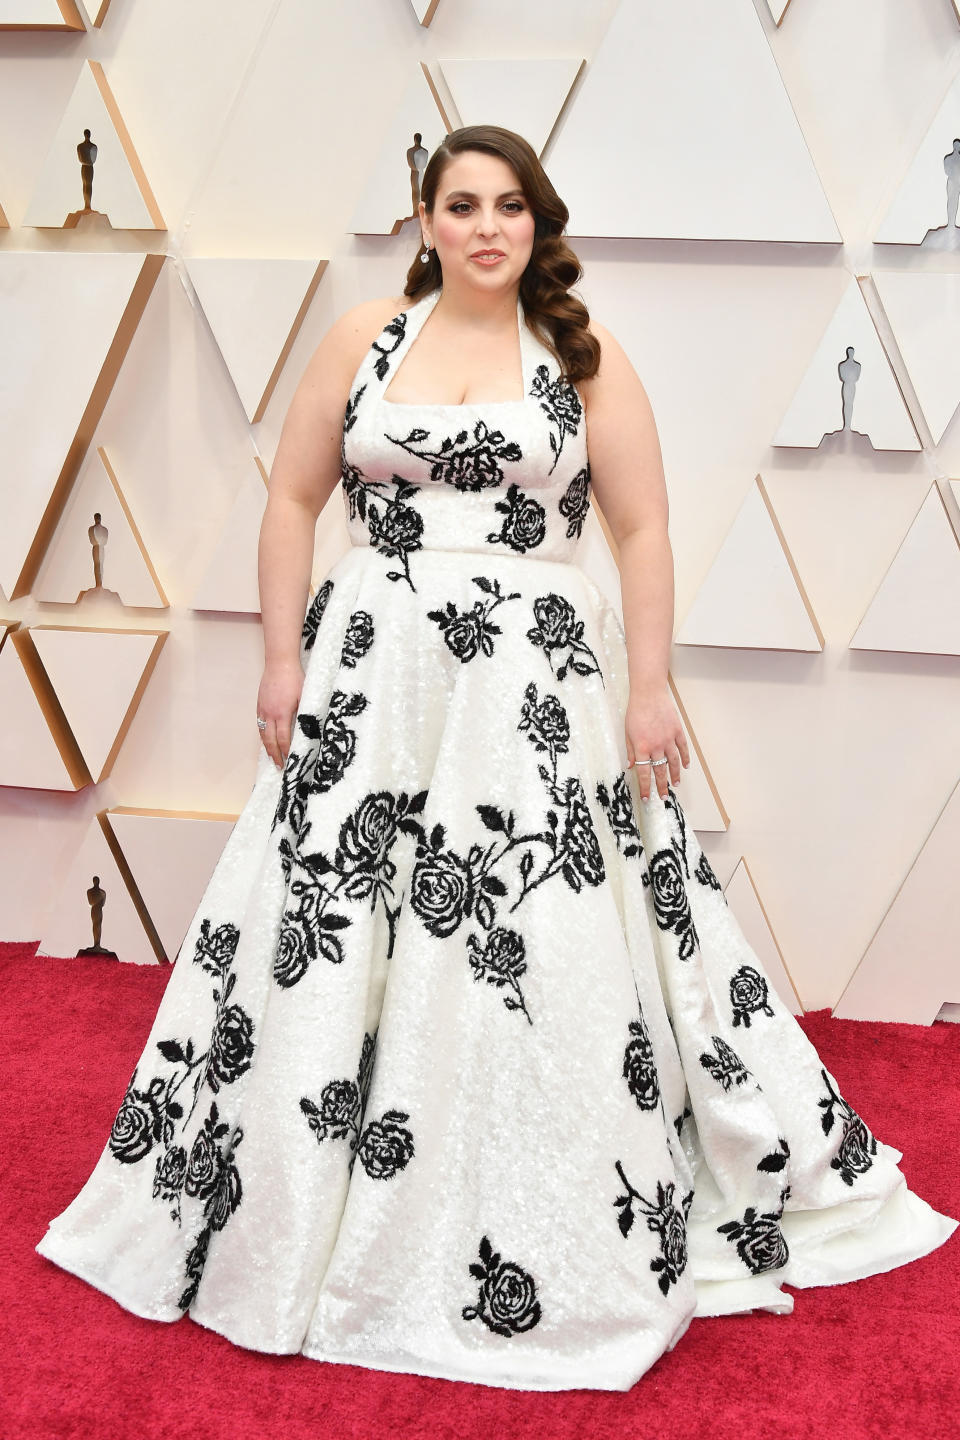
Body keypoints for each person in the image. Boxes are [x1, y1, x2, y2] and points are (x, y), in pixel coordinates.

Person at [35, 124, 957, 1393]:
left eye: (509, 207)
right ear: (423, 220)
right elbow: (294, 500)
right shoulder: (363, 339)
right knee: (337, 924)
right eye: (461, 204)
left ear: (538, 222)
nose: (485, 227)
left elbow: (641, 528)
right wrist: (279, 660)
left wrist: (648, 693)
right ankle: (299, 1211)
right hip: (374, 682)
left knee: (533, 935)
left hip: (529, 690)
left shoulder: (583, 360)